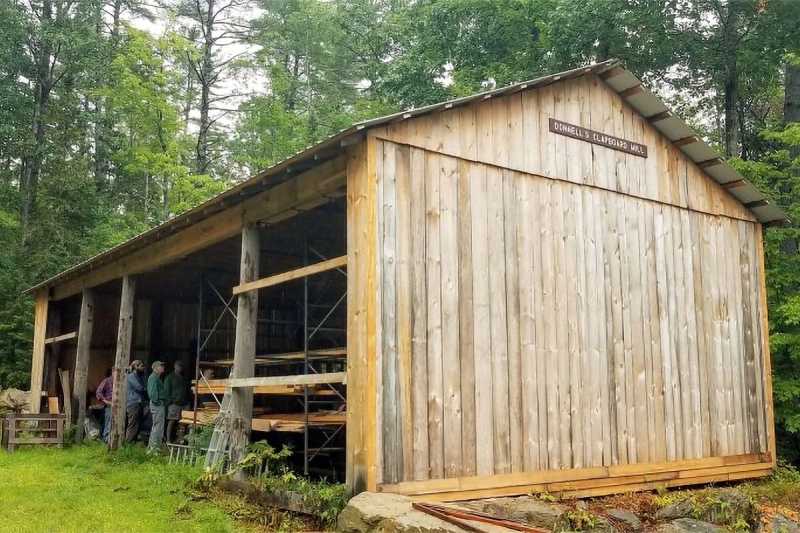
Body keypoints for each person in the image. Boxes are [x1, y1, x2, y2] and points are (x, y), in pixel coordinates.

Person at [164, 360, 190, 444]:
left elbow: (186, 390)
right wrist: (170, 401)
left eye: (181, 366)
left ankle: (180, 439)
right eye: (179, 366)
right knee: (171, 421)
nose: (180, 368)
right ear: (175, 366)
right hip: (174, 404)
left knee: (182, 422)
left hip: (184, 403)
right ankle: (168, 439)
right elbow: (166, 392)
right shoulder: (169, 377)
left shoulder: (183, 378)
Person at [146, 361, 167, 453]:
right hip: (157, 404)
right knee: (158, 426)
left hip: (159, 404)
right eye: (160, 366)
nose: (162, 367)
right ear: (155, 368)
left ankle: (153, 447)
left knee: (158, 426)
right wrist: (157, 402)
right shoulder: (153, 377)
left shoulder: (156, 377)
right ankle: (154, 448)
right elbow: (152, 393)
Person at [125, 360, 147, 443]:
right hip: (133, 403)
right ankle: (127, 443)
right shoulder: (131, 376)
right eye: (141, 366)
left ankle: (132, 442)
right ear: (136, 367)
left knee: (137, 424)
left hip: (139, 403)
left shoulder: (139, 376)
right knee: (133, 424)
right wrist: (145, 388)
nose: (143, 368)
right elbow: (140, 387)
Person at [96, 369, 113, 443]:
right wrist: (105, 401)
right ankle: (105, 440)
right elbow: (98, 392)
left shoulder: (122, 382)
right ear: (113, 372)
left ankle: (111, 440)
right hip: (109, 406)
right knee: (108, 423)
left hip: (118, 406)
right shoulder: (107, 380)